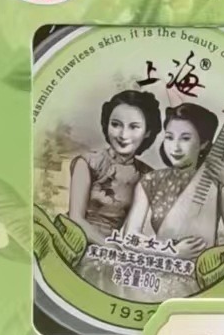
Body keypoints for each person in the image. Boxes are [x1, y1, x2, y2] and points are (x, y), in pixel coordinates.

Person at [124, 102, 224, 259]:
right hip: (163, 264)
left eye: (185, 138)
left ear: (203, 144)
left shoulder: (215, 181)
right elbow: (129, 237)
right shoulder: (151, 181)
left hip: (204, 267)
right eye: (169, 137)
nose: (175, 147)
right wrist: (170, 251)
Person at [67, 89, 161, 246]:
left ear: (147, 132)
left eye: (134, 127)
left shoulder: (147, 175)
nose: (123, 135)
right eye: (116, 125)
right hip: (75, 241)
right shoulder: (88, 163)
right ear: (106, 124)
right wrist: (109, 246)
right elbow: (75, 219)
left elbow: (137, 228)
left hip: (115, 247)